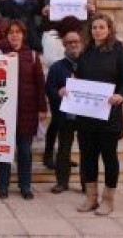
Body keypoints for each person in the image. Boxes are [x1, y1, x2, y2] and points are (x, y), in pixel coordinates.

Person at [75, 13, 123, 216]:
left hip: (110, 115)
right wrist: (69, 90)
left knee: (109, 158)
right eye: (94, 27)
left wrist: (121, 95)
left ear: (109, 29)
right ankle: (91, 198)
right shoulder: (85, 52)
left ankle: (108, 199)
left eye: (101, 27)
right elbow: (79, 80)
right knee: (88, 158)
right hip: (86, 116)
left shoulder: (119, 51)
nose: (97, 30)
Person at [0, 20, 47, 200]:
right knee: (3, 150)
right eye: (11, 32)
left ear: (23, 35)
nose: (14, 35)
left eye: (18, 32)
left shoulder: (32, 56)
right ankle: (3, 185)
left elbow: (40, 84)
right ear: (6, 35)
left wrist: (42, 108)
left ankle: (25, 186)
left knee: (25, 150)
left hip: (27, 110)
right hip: (3, 110)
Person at [46, 27, 84, 194]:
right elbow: (49, 89)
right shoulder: (56, 67)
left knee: (87, 151)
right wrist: (58, 93)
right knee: (63, 149)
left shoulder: (89, 65)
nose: (73, 44)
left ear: (81, 43)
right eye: (70, 42)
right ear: (64, 44)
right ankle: (62, 182)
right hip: (65, 115)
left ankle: (86, 183)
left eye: (76, 41)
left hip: (86, 116)